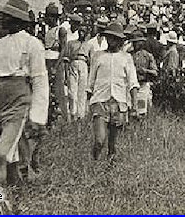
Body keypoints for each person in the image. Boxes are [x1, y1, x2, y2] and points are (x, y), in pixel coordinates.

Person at [0, 0, 49, 185]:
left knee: (1, 153)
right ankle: (17, 190)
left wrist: (38, 116)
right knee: (9, 151)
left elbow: (39, 80)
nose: (1, 20)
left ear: (17, 20)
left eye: (6, 17)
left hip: (19, 100)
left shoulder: (32, 44)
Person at [87, 22, 139, 160]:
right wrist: (89, 104)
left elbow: (133, 83)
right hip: (100, 101)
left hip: (119, 103)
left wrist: (134, 107)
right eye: (109, 37)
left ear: (120, 40)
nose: (112, 41)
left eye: (115, 38)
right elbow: (90, 82)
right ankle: (94, 161)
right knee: (100, 140)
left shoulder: (126, 58)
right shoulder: (98, 56)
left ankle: (109, 171)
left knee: (112, 144)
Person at [60, 14, 89, 120]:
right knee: (72, 91)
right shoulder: (71, 43)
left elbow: (90, 60)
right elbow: (66, 58)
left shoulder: (88, 45)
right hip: (73, 64)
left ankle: (81, 115)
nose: (82, 33)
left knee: (82, 91)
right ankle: (73, 113)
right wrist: (67, 73)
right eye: (80, 31)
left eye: (84, 32)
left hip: (84, 65)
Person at [43, 3, 68, 121]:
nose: (46, 19)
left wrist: (56, 65)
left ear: (53, 18)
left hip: (55, 61)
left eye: (48, 17)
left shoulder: (60, 30)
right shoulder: (47, 30)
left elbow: (63, 49)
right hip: (46, 60)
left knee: (58, 90)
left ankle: (62, 118)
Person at [129, 30, 158, 117]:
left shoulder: (148, 56)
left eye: (137, 42)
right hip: (130, 87)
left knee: (141, 112)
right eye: (134, 43)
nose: (135, 45)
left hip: (142, 86)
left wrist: (145, 71)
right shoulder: (129, 55)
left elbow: (155, 72)